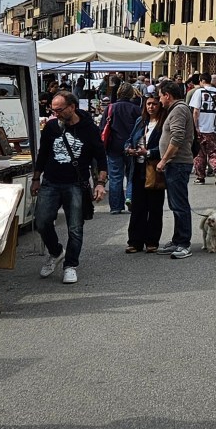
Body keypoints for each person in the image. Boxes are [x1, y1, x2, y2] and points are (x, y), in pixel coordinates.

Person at [31, 90, 108, 286]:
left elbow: (101, 158)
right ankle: (56, 252)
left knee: (75, 227)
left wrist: (100, 183)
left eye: (59, 110)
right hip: (51, 181)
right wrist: (36, 178)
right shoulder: (51, 127)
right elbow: (43, 153)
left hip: (75, 184)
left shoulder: (89, 129)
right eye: (53, 110)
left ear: (72, 107)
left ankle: (70, 265)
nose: (55, 114)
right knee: (42, 222)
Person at [155, 80, 196, 258]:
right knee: (175, 203)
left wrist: (164, 160)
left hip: (178, 163)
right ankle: (178, 239)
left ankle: (184, 243)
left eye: (160, 96)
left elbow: (177, 137)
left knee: (179, 204)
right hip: (175, 163)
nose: (159, 100)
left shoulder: (179, 109)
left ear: (167, 95)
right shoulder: (176, 109)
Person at [124, 95, 167, 251]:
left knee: (155, 207)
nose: (151, 107)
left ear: (159, 106)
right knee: (138, 207)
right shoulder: (140, 121)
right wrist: (128, 148)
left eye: (154, 104)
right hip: (138, 168)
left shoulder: (164, 123)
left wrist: (149, 152)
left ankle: (152, 241)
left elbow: (166, 147)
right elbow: (130, 139)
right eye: (148, 104)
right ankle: (135, 242)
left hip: (155, 169)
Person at [102, 82, 140, 214]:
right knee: (132, 175)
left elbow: (102, 127)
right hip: (131, 147)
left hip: (113, 146)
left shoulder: (110, 108)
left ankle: (115, 206)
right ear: (131, 94)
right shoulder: (136, 109)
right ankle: (130, 198)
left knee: (115, 177)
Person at [191, 72, 216, 185]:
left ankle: (200, 177)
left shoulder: (198, 92)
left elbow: (196, 111)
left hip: (200, 128)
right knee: (213, 152)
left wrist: (195, 126)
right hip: (213, 128)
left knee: (199, 154)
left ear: (202, 81)